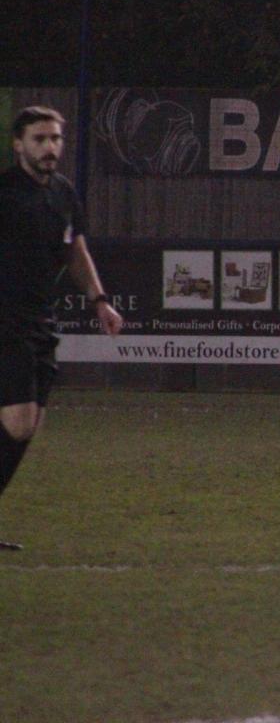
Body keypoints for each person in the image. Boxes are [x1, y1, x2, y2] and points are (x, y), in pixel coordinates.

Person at [1, 106, 124, 550]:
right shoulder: (5, 193)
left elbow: (75, 251)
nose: (49, 147)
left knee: (30, 425)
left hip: (39, 318)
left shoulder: (64, 193)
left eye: (55, 139)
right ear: (18, 144)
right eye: (40, 139)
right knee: (18, 422)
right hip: (4, 319)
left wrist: (99, 300)